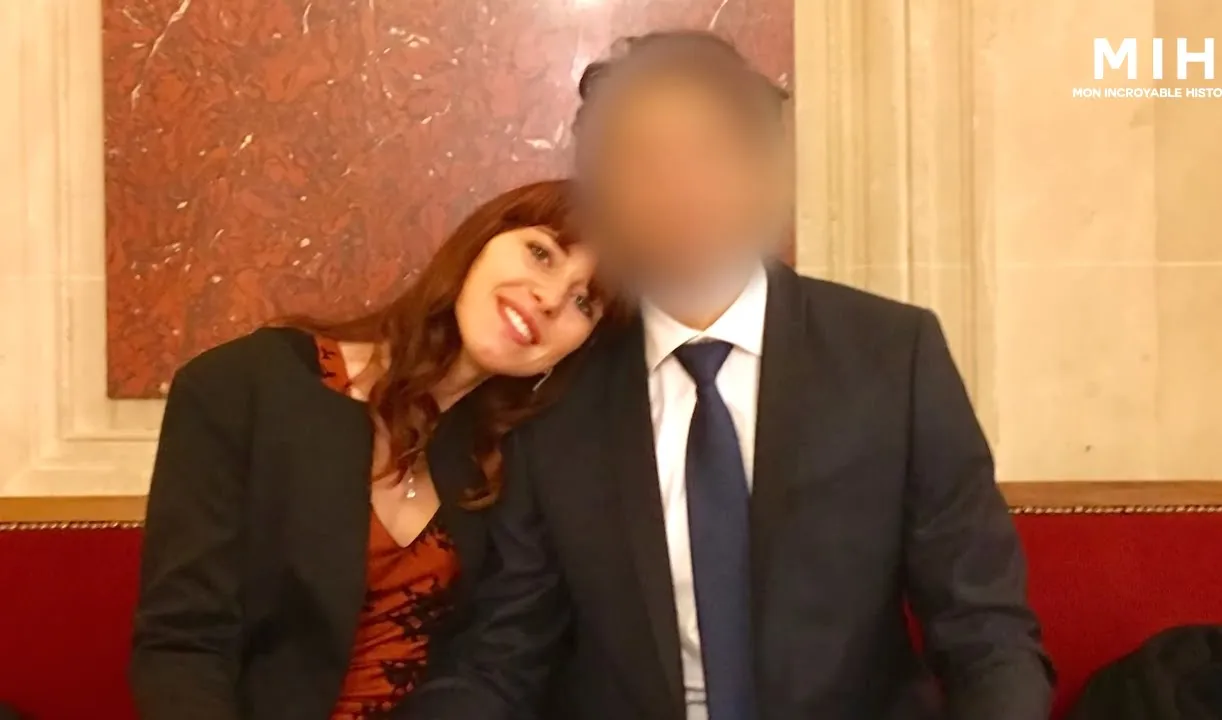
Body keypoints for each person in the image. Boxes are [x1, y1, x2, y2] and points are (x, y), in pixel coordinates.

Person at [401, 32, 1054, 720]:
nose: (678, 188)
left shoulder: (893, 357)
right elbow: (503, 656)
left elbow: (986, 636)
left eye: (708, 151)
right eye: (639, 160)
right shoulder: (560, 392)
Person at [130, 179, 618, 720]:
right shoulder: (244, 386)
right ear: (481, 241)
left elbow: (496, 666)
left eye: (583, 301)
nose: (549, 299)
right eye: (541, 253)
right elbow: (184, 646)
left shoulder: (520, 459)